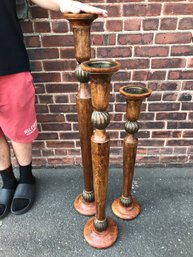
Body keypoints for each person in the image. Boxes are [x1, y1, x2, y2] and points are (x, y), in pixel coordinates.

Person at [0, 0, 108, 219]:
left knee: (19, 127)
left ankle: (27, 177)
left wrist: (61, 3)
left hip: (7, 60)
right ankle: (7, 181)